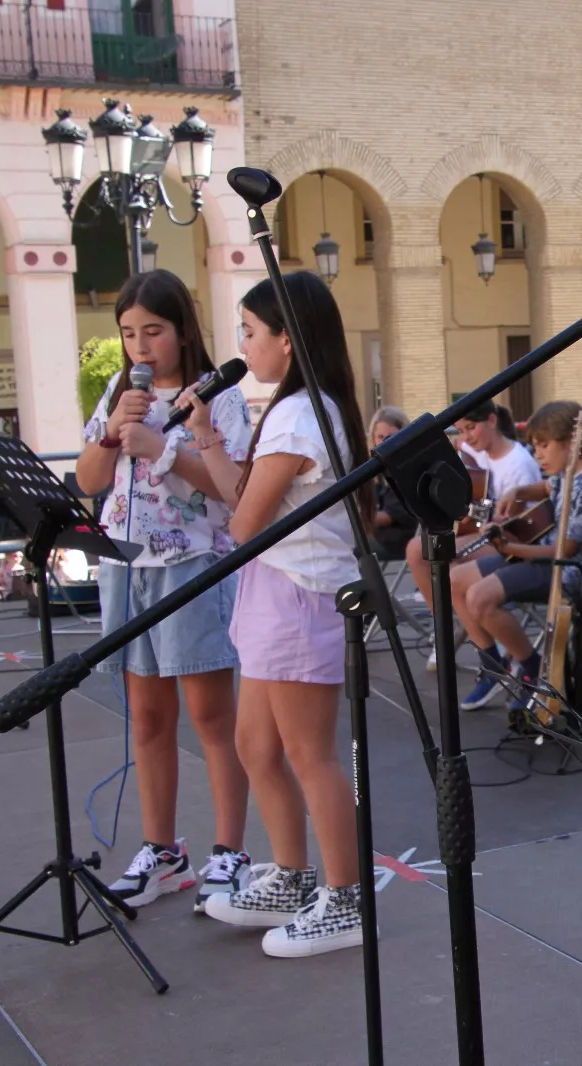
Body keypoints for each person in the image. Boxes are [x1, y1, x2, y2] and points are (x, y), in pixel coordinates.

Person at [178, 272, 370, 957]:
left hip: (298, 593)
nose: (242, 346)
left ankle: (345, 899)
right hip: (274, 588)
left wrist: (206, 445)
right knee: (256, 745)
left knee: (307, 752)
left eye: (251, 333)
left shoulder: (298, 414)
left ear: (287, 340)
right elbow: (247, 509)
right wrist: (205, 435)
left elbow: (245, 519)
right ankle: (291, 877)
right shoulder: (298, 408)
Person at [75, 268, 254, 915]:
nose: (140, 347)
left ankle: (229, 851)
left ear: (181, 330)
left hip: (193, 565)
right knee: (148, 718)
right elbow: (90, 480)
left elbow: (229, 486)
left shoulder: (216, 396)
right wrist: (112, 431)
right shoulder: (121, 395)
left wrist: (164, 448)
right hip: (125, 564)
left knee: (212, 716)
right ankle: (162, 851)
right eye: (128, 334)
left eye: (153, 331)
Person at [453, 400, 582, 722]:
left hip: (568, 573)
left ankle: (529, 669)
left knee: (479, 596)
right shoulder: (568, 473)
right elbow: (545, 487)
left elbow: (564, 552)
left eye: (544, 446)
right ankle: (494, 665)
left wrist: (508, 548)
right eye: (534, 447)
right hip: (543, 560)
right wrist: (516, 492)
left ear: (571, 443)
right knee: (456, 580)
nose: (538, 455)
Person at [404, 397, 541, 674]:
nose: (466, 436)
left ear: (492, 420)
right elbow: (457, 455)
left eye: (471, 428)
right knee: (417, 550)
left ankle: (490, 651)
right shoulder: (473, 448)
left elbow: (519, 524)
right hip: (481, 532)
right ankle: (444, 624)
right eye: (461, 430)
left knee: (445, 564)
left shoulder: (519, 464)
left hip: (513, 542)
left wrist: (482, 517)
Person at [368, 406, 418, 560]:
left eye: (389, 437)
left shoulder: (408, 468)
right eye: (380, 437)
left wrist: (349, 517)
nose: (383, 442)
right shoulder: (378, 469)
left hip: (401, 541)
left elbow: (385, 518)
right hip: (382, 537)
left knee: (348, 547)